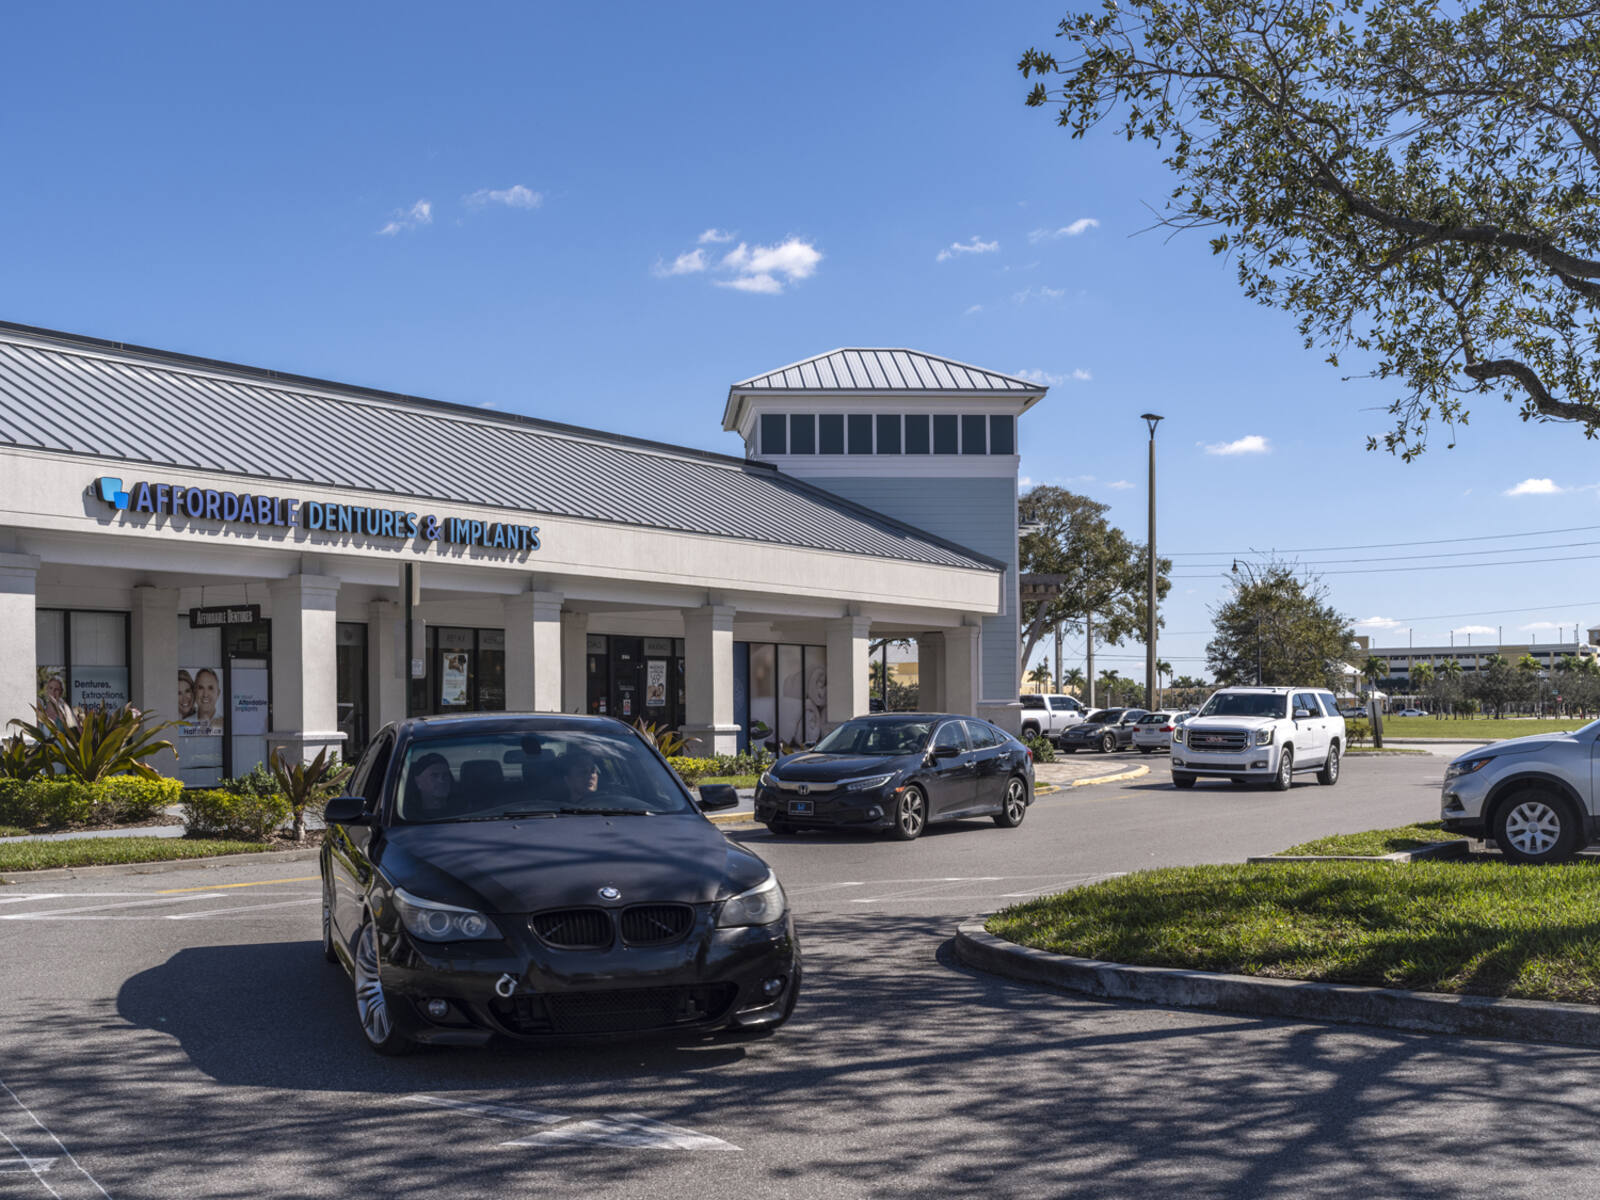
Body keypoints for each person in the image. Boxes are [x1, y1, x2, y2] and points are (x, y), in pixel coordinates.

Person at [409, 752, 456, 817]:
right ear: (418, 782)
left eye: (445, 775)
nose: (441, 780)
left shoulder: (465, 811)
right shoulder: (408, 816)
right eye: (434, 775)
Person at [192, 668, 221, 734]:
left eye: (210, 688)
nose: (205, 694)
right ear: (194, 692)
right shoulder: (184, 723)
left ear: (218, 693)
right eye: (201, 688)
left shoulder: (225, 724)